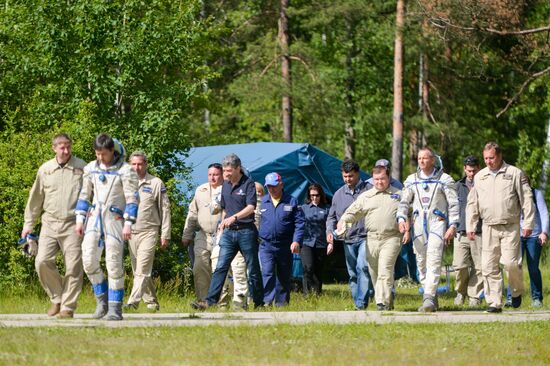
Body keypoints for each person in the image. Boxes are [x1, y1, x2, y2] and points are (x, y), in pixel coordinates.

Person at [75, 134, 139, 321]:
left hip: (114, 221)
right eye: (97, 153)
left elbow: (132, 198)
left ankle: (114, 308)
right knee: (88, 260)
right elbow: (84, 195)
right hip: (94, 220)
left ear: (112, 151)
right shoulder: (90, 169)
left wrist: (128, 223)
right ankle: (101, 302)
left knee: (113, 263)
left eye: (103, 154)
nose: (100, 157)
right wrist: (79, 220)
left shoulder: (125, 171)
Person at [22, 133, 86, 319]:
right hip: (49, 223)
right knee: (41, 261)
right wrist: (28, 224)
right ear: (54, 148)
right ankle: (57, 297)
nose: (66, 151)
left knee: (73, 266)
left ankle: (67, 307)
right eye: (62, 147)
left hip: (73, 223)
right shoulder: (45, 169)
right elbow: (35, 199)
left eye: (68, 147)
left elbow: (91, 193)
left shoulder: (82, 167)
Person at [466, 142, 534, 313]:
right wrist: (471, 225)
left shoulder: (514, 173)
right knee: (489, 267)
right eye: (486, 158)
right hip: (488, 227)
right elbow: (473, 203)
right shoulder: (479, 176)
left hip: (510, 226)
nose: (489, 161)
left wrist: (528, 223)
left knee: (511, 264)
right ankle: (494, 302)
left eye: (492, 158)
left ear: (499, 156)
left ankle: (516, 292)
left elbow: (526, 199)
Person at [191, 153, 264, 310]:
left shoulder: (249, 184)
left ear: (238, 168)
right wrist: (223, 223)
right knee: (221, 267)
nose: (226, 174)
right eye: (224, 170)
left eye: (229, 171)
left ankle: (259, 303)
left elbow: (251, 207)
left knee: (253, 269)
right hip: (229, 233)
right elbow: (224, 209)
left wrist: (234, 218)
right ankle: (209, 301)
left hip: (246, 232)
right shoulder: (225, 185)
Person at [337, 163, 409, 310]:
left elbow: (410, 212)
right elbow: (353, 212)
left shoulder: (399, 194)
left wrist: (407, 229)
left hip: (392, 238)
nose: (379, 182)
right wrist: (343, 221)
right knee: (374, 272)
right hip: (372, 238)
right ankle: (387, 302)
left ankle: (381, 302)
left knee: (385, 269)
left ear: (388, 177)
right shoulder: (366, 196)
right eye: (376, 179)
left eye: (382, 179)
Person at [397, 147, 459, 312]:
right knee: (421, 263)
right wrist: (402, 219)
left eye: (425, 158)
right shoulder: (412, 180)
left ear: (433, 160)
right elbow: (404, 202)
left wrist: (453, 225)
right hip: (418, 225)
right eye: (419, 158)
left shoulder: (444, 179)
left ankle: (428, 298)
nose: (422, 161)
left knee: (434, 259)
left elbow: (453, 204)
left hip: (437, 223)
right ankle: (430, 295)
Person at [124, 152, 171, 312]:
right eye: (134, 164)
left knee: (142, 268)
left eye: (140, 164)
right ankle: (151, 302)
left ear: (146, 165)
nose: (137, 167)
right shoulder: (125, 182)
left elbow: (165, 209)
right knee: (140, 270)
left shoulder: (156, 183)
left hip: (149, 231)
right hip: (131, 232)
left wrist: (165, 234)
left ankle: (132, 302)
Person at [326, 158, 372, 310]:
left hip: (366, 237)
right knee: (352, 273)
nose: (347, 179)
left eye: (351, 176)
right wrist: (329, 232)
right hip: (348, 239)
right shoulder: (338, 195)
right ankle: (358, 300)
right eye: (345, 176)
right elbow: (331, 217)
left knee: (362, 267)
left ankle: (361, 304)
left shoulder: (370, 190)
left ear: (358, 174)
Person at [258, 173, 305, 306]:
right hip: (266, 245)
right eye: (269, 187)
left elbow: (299, 223)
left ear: (281, 185)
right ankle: (266, 301)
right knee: (267, 272)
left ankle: (282, 303)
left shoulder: (292, 201)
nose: (271, 189)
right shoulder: (263, 201)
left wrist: (296, 241)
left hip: (285, 244)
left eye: (274, 186)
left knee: (283, 275)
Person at [182, 163, 224, 301]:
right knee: (200, 267)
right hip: (202, 235)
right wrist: (187, 234)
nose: (212, 178)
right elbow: (193, 213)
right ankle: (203, 301)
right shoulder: (201, 190)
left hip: (222, 235)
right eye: (210, 174)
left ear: (222, 175)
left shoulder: (227, 190)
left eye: (216, 175)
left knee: (219, 268)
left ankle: (221, 302)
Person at [505, 180, 548, 308]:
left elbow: (544, 214)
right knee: (513, 267)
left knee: (533, 268)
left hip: (534, 236)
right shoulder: (512, 194)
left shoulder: (536, 194)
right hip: (515, 236)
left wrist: (544, 232)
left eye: (524, 182)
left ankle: (536, 298)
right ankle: (511, 298)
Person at [453, 156, 484, 307]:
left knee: (479, 266)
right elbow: (451, 208)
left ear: (479, 168)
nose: (471, 173)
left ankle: (474, 296)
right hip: (461, 231)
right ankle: (461, 292)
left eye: (474, 170)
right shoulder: (457, 186)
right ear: (465, 169)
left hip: (480, 231)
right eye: (469, 170)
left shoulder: (485, 185)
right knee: (460, 266)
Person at [300, 184, 332, 295]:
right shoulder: (303, 208)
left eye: (317, 195)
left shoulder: (327, 208)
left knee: (318, 270)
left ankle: (317, 293)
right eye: (312, 195)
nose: (314, 198)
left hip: (321, 242)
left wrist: (330, 242)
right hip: (306, 242)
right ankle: (306, 294)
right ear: (309, 196)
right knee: (308, 267)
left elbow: (330, 225)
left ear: (321, 195)